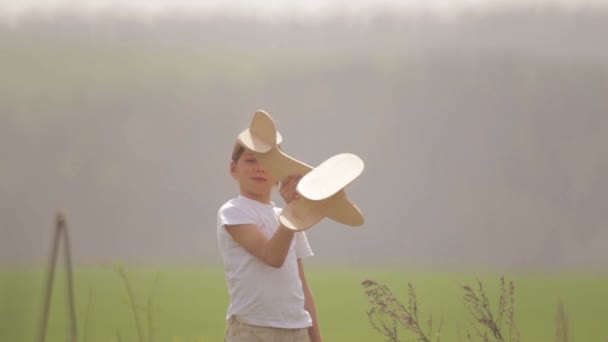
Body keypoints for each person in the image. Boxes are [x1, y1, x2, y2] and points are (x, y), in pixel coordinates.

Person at [217, 142, 323, 342]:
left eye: (269, 163)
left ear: (279, 173)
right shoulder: (232, 212)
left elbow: (301, 286)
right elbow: (273, 257)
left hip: (298, 329)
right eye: (250, 160)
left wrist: (316, 338)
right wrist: (291, 213)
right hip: (253, 330)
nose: (260, 168)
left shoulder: (286, 217)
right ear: (234, 168)